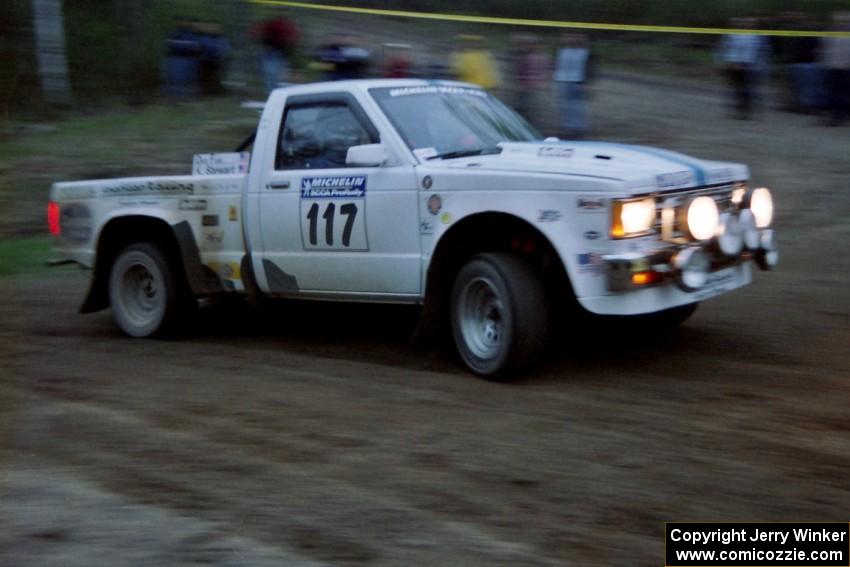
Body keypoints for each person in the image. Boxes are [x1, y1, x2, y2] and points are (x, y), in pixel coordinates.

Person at [717, 17, 771, 119]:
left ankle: (746, 110)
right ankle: (741, 110)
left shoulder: (755, 36)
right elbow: (726, 48)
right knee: (738, 88)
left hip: (748, 64)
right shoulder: (733, 35)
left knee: (746, 88)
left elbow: (758, 51)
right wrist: (727, 61)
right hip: (735, 64)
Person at [553, 33, 592, 138]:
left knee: (576, 106)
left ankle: (577, 128)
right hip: (563, 80)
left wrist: (586, 83)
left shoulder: (585, 52)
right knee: (564, 106)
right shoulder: (562, 51)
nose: (571, 40)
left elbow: (589, 69)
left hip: (577, 81)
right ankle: (567, 127)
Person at [509, 33, 549, 127]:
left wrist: (538, 84)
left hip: (532, 88)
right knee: (522, 109)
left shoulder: (537, 57)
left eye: (528, 44)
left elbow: (542, 73)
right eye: (525, 44)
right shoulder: (522, 56)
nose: (526, 46)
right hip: (523, 87)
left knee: (530, 110)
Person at [252, 16, 299, 92]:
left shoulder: (284, 27)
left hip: (280, 54)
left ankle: (275, 93)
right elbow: (259, 34)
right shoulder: (272, 25)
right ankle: (273, 93)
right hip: (272, 53)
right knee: (272, 76)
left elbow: (292, 39)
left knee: (276, 77)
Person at [819, 12, 850, 126]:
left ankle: (838, 117)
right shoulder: (831, 32)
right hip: (834, 67)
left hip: (842, 67)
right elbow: (825, 48)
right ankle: (837, 116)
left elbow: (825, 48)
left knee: (839, 93)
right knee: (836, 93)